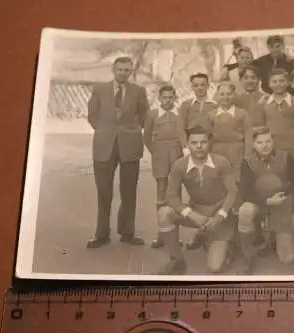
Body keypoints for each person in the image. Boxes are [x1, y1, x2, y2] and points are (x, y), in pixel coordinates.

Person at [155, 125, 238, 274]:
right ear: (187, 144)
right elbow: (171, 195)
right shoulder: (179, 165)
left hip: (219, 215)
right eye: (194, 143)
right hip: (196, 211)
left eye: (203, 142)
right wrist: (191, 214)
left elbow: (233, 191)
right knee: (164, 213)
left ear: (209, 143)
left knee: (214, 267)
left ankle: (226, 243)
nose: (199, 146)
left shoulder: (221, 162)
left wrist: (221, 215)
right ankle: (176, 259)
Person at [86, 57, 148, 248]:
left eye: (127, 70)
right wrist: (106, 131)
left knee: (129, 191)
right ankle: (101, 234)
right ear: (113, 69)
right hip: (104, 146)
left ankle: (127, 232)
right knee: (104, 191)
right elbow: (92, 116)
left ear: (131, 72)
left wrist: (130, 131)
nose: (123, 73)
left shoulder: (138, 91)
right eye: (120, 69)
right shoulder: (99, 89)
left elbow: (144, 116)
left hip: (130, 145)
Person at [237, 127, 294, 274]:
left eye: (268, 141)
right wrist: (266, 201)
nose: (265, 145)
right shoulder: (247, 161)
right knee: (245, 210)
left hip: (282, 204)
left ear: (273, 141)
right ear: (253, 144)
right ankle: (247, 255)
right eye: (260, 142)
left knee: (287, 258)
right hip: (261, 203)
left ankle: (274, 236)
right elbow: (245, 191)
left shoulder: (286, 157)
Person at [144, 84, 183, 249]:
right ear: (159, 99)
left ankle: (175, 235)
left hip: (176, 152)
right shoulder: (153, 114)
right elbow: (146, 137)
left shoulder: (180, 113)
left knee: (176, 192)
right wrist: (156, 152)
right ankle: (161, 233)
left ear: (175, 98)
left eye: (171, 97)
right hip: (159, 153)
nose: (167, 101)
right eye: (164, 97)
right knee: (161, 190)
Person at [260, 68, 294, 167]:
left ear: (288, 83)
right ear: (269, 84)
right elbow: (261, 127)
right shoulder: (264, 103)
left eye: (281, 81)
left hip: (293, 150)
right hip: (272, 150)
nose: (278, 84)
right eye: (274, 81)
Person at [210, 81, 253, 182]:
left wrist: (247, 155)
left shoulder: (242, 114)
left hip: (237, 151)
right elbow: (208, 137)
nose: (225, 97)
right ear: (218, 95)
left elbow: (248, 136)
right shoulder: (212, 115)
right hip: (218, 150)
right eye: (222, 94)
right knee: (220, 178)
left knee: (237, 178)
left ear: (234, 94)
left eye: (229, 94)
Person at [176, 73, 217, 154]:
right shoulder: (186, 105)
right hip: (191, 146)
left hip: (210, 146)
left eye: (202, 85)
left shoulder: (214, 105)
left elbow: (217, 129)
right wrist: (185, 146)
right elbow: (180, 128)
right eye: (196, 85)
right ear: (192, 87)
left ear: (208, 86)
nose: (199, 88)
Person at [233, 65, 267, 130]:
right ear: (240, 80)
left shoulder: (267, 98)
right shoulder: (235, 100)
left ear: (259, 79)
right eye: (246, 78)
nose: (250, 81)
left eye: (253, 78)